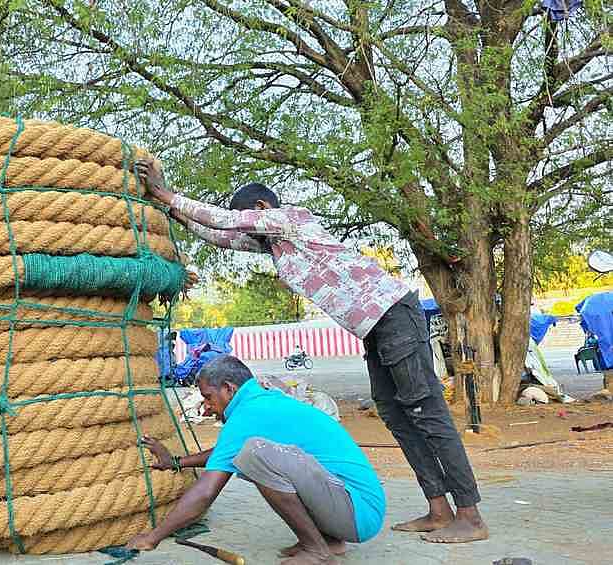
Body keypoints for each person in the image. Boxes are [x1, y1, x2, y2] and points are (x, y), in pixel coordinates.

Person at [135, 160, 488, 544]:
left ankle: (468, 515)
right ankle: (439, 509)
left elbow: (226, 221)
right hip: (373, 327)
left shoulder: (291, 219)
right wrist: (168, 205)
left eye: (246, 216)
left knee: (426, 411)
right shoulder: (277, 245)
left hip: (393, 313)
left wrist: (168, 194)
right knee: (396, 415)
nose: (242, 222)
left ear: (261, 211)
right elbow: (219, 233)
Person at [126, 356, 385, 564]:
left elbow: (206, 492)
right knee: (251, 453)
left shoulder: (248, 414)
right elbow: (224, 453)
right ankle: (329, 540)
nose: (206, 406)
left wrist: (153, 537)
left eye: (208, 397)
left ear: (229, 389)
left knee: (254, 454)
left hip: (357, 512)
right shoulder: (260, 402)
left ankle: (317, 551)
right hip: (354, 509)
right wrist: (176, 462)